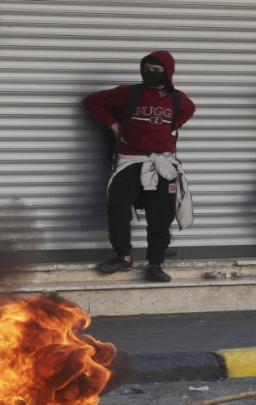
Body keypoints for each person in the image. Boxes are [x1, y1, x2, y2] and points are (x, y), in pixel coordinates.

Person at [84, 50, 196, 283]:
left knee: (161, 216)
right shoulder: (129, 93)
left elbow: (190, 109)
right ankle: (122, 256)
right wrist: (115, 128)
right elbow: (93, 101)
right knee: (118, 208)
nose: (150, 74)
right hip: (130, 160)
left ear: (168, 72)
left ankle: (155, 264)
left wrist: (173, 124)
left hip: (163, 162)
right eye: (147, 69)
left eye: (157, 70)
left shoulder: (177, 99)